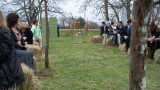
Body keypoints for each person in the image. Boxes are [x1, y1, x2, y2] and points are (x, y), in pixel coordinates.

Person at [0, 10, 24, 89]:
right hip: (16, 49)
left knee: (29, 53)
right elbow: (13, 44)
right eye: (18, 19)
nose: (19, 21)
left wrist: (24, 46)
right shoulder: (9, 30)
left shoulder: (4, 32)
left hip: (7, 68)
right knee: (27, 54)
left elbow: (5, 53)